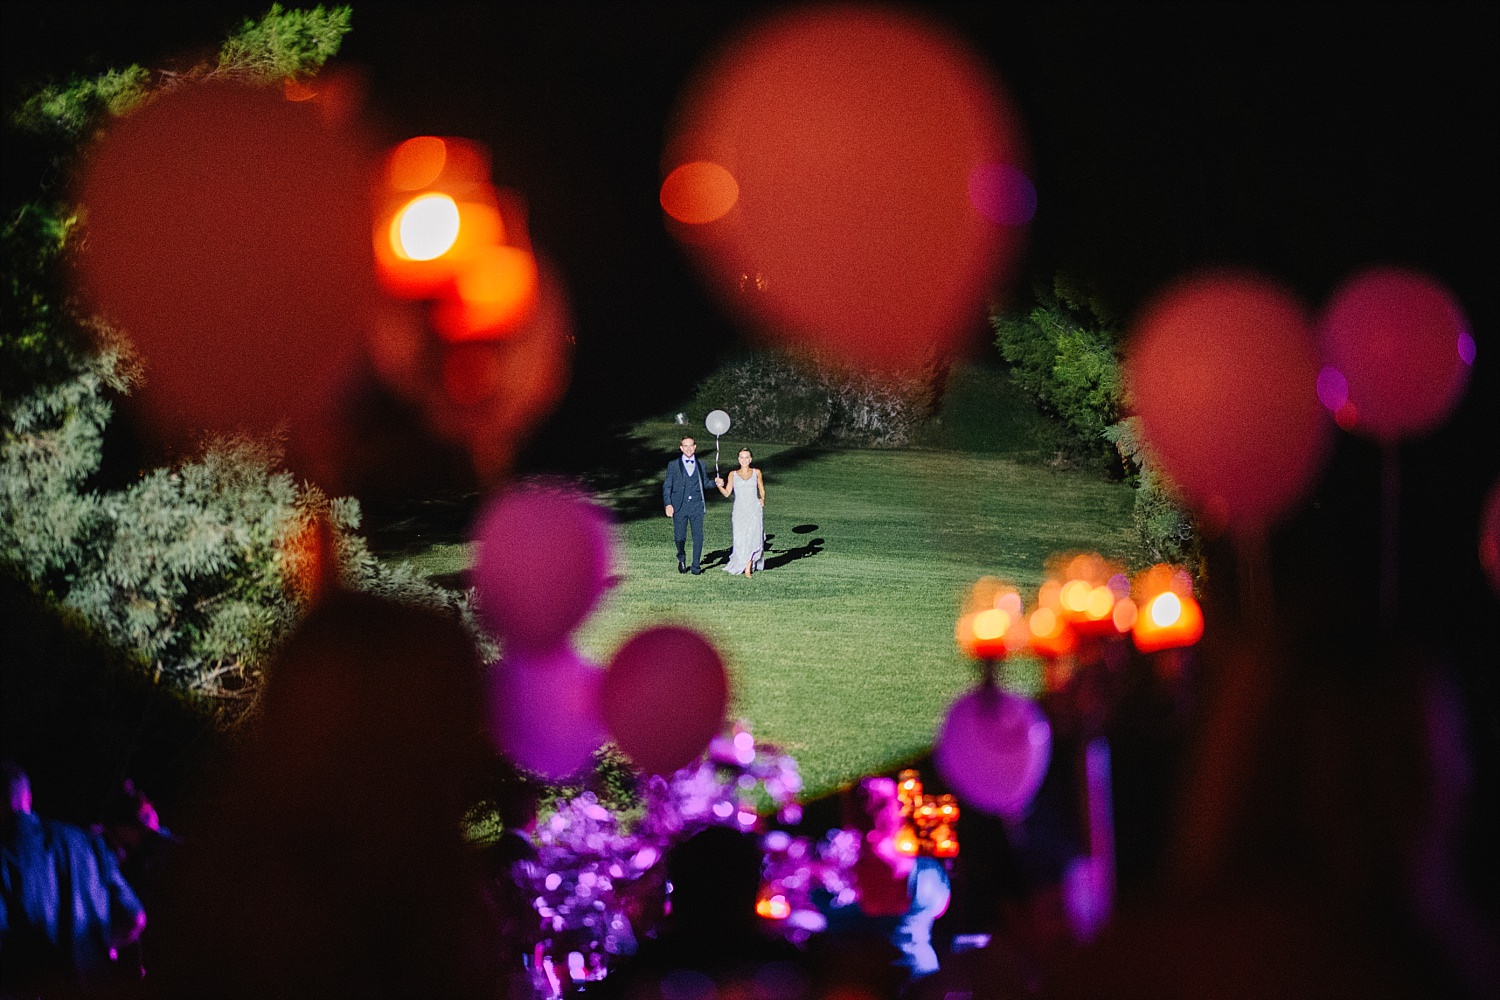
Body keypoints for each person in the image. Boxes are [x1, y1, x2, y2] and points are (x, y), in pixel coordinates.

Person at [1, 760, 148, 996]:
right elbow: (134, 917)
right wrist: (96, 946)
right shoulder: (87, 842)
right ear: (27, 796)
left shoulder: (5, 857)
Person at [663, 435, 718, 575]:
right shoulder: (673, 465)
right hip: (679, 506)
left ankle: (696, 566)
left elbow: (705, 484)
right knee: (680, 537)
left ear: (695, 447)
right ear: (681, 448)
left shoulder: (701, 464)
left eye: (690, 445)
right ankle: (681, 557)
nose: (688, 448)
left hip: (696, 506)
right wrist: (668, 504)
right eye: (685, 446)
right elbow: (667, 486)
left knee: (698, 536)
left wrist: (716, 483)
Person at [715, 447, 766, 577]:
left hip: (753, 509)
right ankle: (741, 562)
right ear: (738, 459)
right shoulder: (733, 474)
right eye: (741, 457)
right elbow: (727, 493)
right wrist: (720, 486)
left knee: (753, 537)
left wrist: (762, 499)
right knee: (740, 539)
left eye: (746, 457)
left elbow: (761, 488)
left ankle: (748, 567)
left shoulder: (756, 472)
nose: (744, 460)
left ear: (750, 459)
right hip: (739, 511)